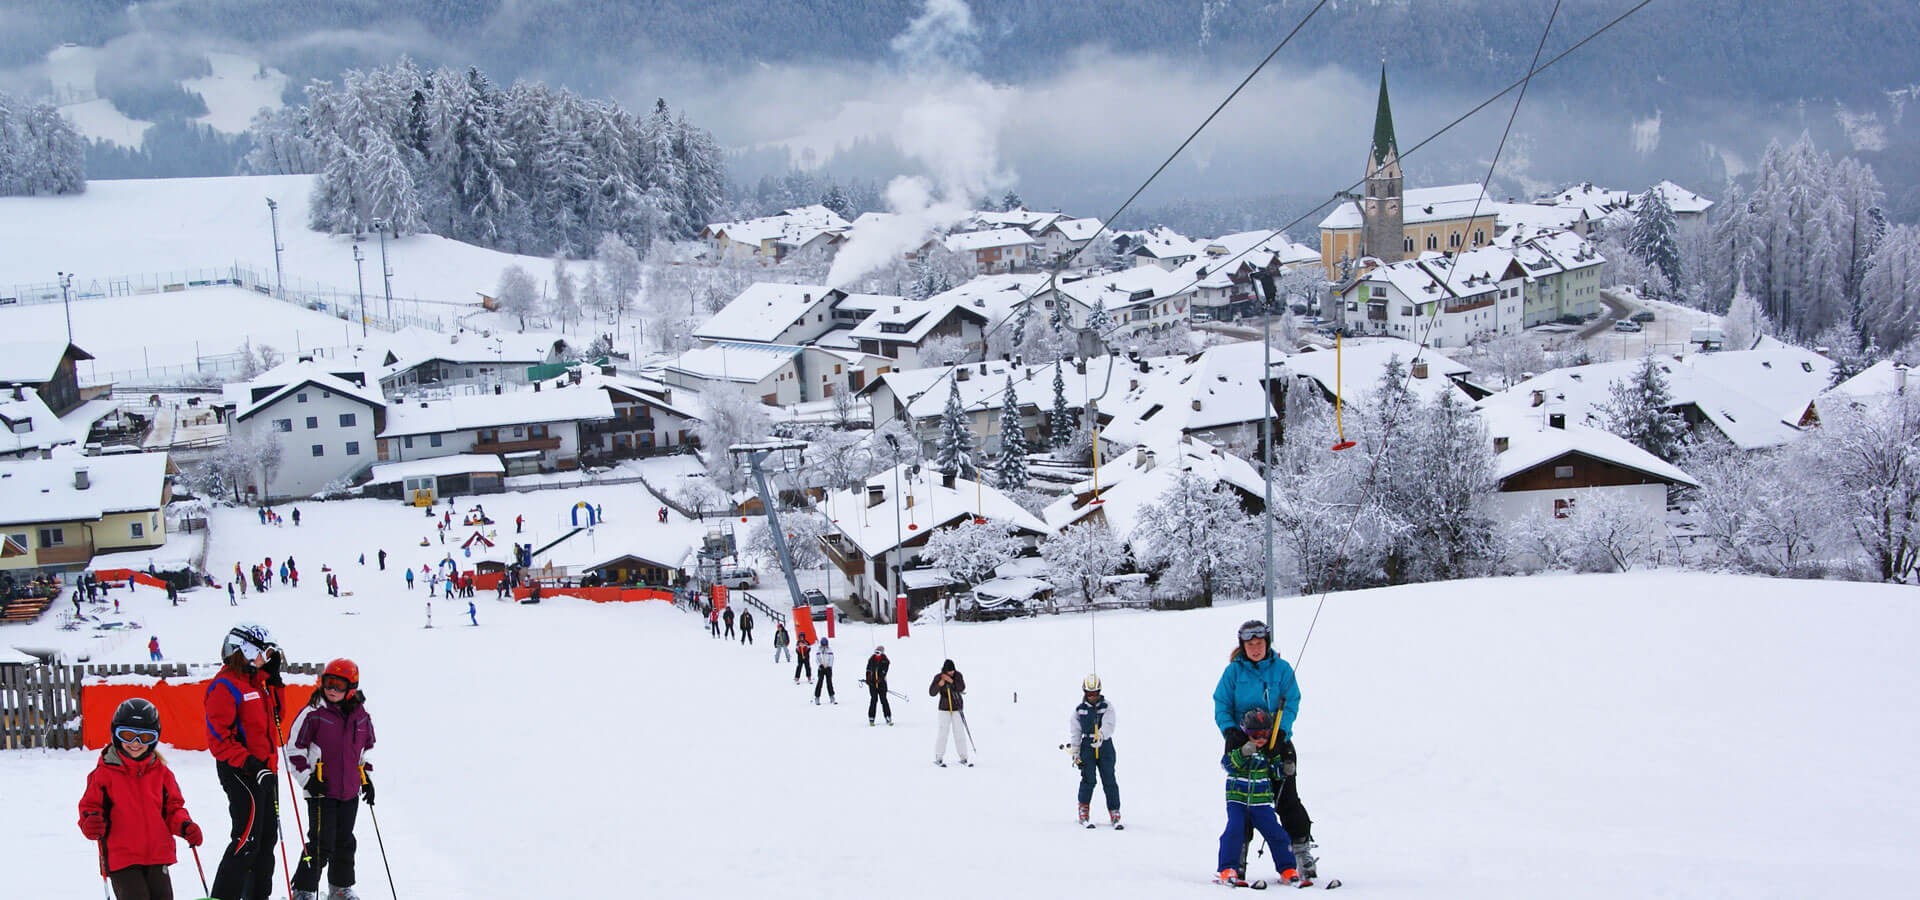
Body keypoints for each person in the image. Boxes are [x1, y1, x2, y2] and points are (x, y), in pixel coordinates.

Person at [1212, 619, 1315, 880]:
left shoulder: (1281, 669)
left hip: (1276, 741)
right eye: (1250, 644)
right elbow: (1221, 703)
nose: (1255, 649)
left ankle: (1300, 854)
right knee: (1245, 804)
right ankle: (1237, 860)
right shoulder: (1233, 673)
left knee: (1286, 799)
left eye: (1259, 644)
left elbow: (1292, 700)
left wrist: (1282, 731)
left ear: (1266, 644)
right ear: (1243, 646)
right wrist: (1230, 730)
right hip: (1243, 742)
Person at [80, 698, 205, 900]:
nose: (135, 743)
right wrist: (90, 822)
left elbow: (173, 809)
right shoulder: (104, 774)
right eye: (127, 735)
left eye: (145, 737)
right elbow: (90, 807)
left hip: (158, 855)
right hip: (122, 858)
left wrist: (185, 825)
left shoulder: (162, 774)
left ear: (154, 739)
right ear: (115, 734)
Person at [205, 624, 284, 900]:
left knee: (266, 842)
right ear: (247, 650)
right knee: (247, 840)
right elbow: (219, 740)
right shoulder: (224, 686)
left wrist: (274, 681)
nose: (269, 658)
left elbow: (277, 718)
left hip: (265, 772)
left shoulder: (258, 685)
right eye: (266, 652)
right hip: (241, 772)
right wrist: (252, 764)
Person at [286, 659, 375, 900]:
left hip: (349, 792)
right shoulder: (313, 713)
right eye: (328, 683)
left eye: (338, 684)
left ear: (352, 688)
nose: (332, 689)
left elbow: (364, 750)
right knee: (320, 842)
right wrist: (307, 780)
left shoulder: (361, 716)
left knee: (345, 841)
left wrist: (365, 778)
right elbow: (293, 750)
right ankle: (303, 889)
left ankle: (340, 888)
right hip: (321, 791)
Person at [1215, 709, 1300, 887]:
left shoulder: (1269, 751)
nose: (1260, 739)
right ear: (1246, 733)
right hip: (1237, 800)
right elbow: (1227, 764)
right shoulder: (1239, 747)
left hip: (1261, 802)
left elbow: (1275, 773)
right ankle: (1227, 869)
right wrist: (1243, 753)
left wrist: (1284, 769)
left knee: (1277, 834)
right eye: (1255, 734)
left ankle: (1287, 869)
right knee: (1234, 831)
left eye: (1265, 734)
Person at [1069, 674, 1118, 826]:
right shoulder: (1079, 710)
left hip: (1104, 745)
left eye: (1095, 693)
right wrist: (1076, 751)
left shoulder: (1107, 707)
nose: (1092, 697)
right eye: (1089, 694)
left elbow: (1109, 724)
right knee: (1088, 779)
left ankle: (1114, 811)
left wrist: (1102, 735)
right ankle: (1083, 809)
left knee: (1109, 779)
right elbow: (1076, 731)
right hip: (1087, 746)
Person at [931, 659, 969, 766]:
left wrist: (951, 681)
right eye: (949, 671)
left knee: (959, 732)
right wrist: (940, 684)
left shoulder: (958, 676)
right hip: (944, 708)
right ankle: (939, 757)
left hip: (957, 707)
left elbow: (961, 687)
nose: (951, 673)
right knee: (943, 732)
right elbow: (932, 692)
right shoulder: (939, 677)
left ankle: (963, 757)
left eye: (952, 671)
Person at [865, 645, 892, 725]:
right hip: (873, 684)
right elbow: (868, 669)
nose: (877, 654)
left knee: (883, 700)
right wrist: (868, 679)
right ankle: (871, 718)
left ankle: (888, 717)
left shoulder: (885, 661)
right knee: (873, 700)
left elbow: (884, 671)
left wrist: (880, 679)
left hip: (882, 684)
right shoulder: (871, 659)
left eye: (878, 652)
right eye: (876, 652)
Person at [813, 638, 836, 705]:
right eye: (823, 645)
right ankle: (817, 697)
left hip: (828, 668)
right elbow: (817, 659)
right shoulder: (819, 650)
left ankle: (832, 696)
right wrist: (820, 665)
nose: (824, 646)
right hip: (821, 669)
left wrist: (830, 666)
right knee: (820, 683)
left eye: (825, 645)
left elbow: (831, 659)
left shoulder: (829, 650)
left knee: (829, 683)